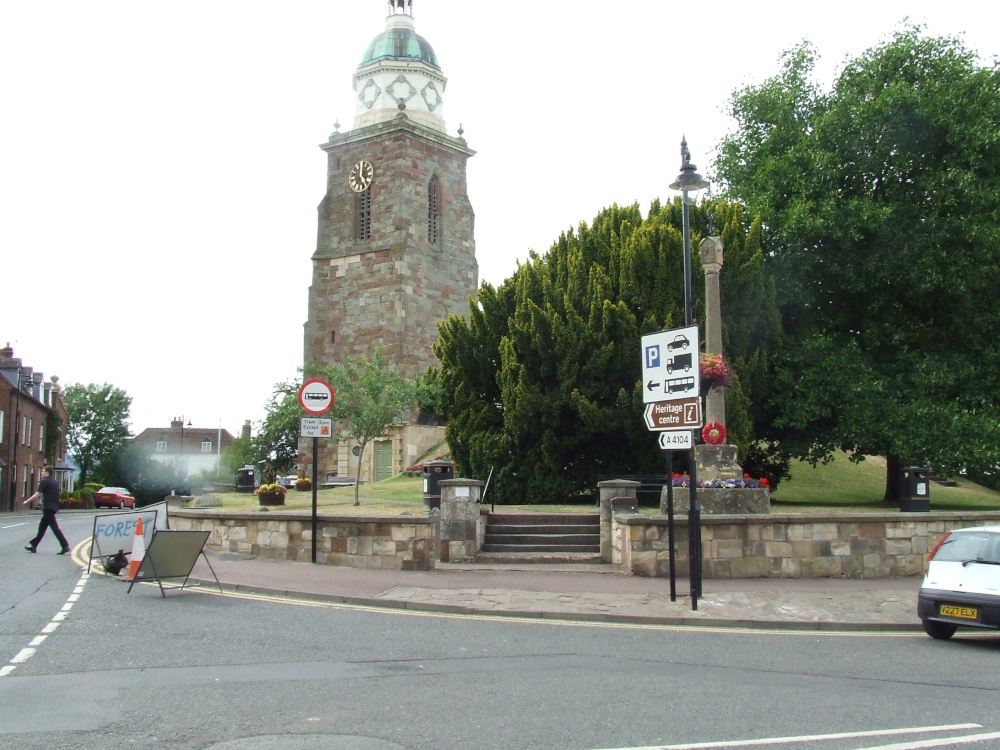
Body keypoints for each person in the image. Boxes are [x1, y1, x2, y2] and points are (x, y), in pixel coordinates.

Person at [23, 466, 71, 555]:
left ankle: (65, 546)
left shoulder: (45, 481)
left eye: (43, 471)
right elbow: (57, 496)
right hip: (52, 508)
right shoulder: (55, 482)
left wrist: (27, 501)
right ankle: (34, 546)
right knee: (42, 528)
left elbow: (37, 495)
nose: (41, 473)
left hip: (48, 508)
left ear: (47, 472)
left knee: (54, 528)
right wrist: (57, 507)